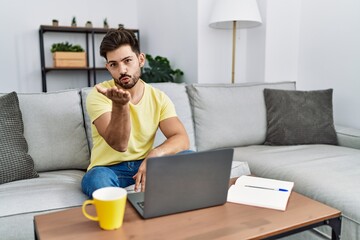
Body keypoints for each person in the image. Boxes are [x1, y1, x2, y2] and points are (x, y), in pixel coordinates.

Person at [81, 28, 190, 198]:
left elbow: (181, 138)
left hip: (145, 164)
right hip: (108, 169)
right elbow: (119, 144)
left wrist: (155, 155)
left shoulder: (159, 98)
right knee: (95, 178)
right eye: (114, 64)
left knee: (189, 158)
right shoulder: (99, 94)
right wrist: (121, 106)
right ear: (108, 67)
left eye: (127, 61)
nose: (122, 70)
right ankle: (121, 218)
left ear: (140, 59)